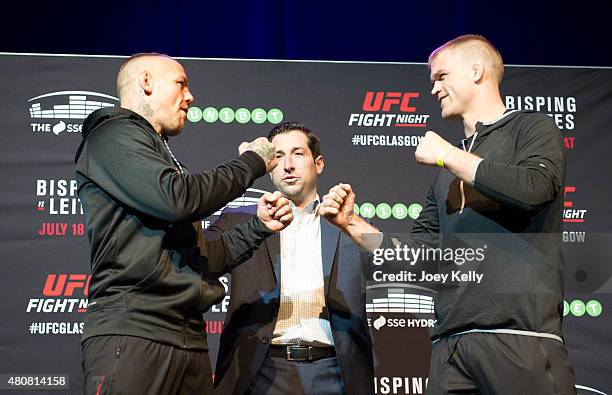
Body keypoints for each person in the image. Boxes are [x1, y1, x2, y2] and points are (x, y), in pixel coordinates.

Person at [320, 35, 576, 394]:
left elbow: (534, 188)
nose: (434, 89)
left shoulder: (530, 128)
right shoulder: (446, 174)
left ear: (476, 71)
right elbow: (418, 260)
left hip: (519, 337)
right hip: (450, 347)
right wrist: (352, 223)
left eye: (441, 76)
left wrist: (450, 156)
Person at [75, 53, 293, 394]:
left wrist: (258, 226)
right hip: (136, 331)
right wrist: (251, 162)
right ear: (146, 82)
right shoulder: (112, 136)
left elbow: (202, 259)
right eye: (181, 84)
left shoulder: (158, 156)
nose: (189, 96)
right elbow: (180, 199)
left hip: (188, 336)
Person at [206, 122, 375, 395]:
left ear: (318, 164)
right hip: (260, 370)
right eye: (278, 156)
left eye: (297, 154)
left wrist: (352, 222)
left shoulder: (346, 223)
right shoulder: (240, 221)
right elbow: (201, 256)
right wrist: (241, 172)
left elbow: (392, 259)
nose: (288, 165)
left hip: (334, 371)